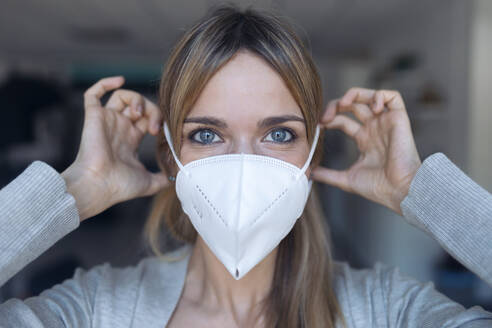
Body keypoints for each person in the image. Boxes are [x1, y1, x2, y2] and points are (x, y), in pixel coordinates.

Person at [1, 5, 492, 328]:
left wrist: (421, 189)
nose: (243, 164)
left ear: (311, 155)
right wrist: (74, 190)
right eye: (206, 134)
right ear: (171, 157)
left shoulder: (388, 310)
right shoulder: (96, 310)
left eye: (279, 134)